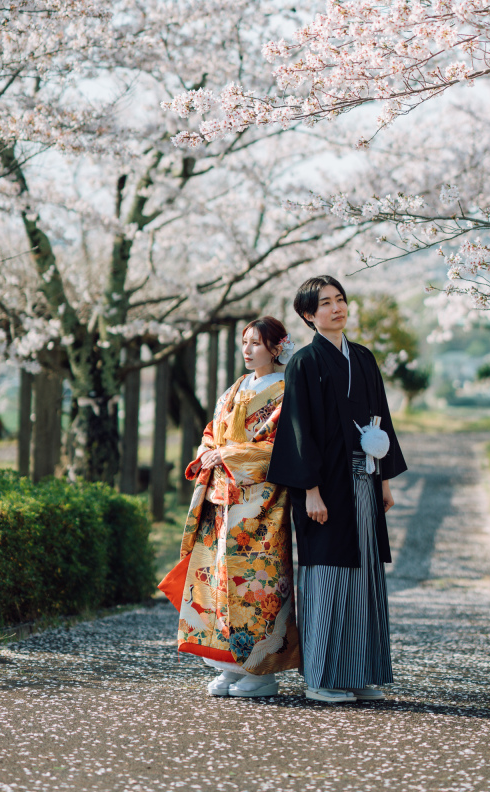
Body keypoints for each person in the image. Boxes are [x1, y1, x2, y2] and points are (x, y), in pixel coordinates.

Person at [268, 275, 407, 704]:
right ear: (309, 316)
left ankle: (362, 670)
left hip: (364, 478)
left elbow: (379, 417)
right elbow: (298, 431)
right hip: (324, 485)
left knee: (364, 572)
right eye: (324, 303)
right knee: (328, 573)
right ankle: (324, 677)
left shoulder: (363, 358)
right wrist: (309, 490)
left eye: (340, 300)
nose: (336, 308)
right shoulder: (305, 363)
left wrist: (382, 479)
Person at [162, 316, 300, 698]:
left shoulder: (286, 390)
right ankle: (227, 665)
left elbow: (282, 446)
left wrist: (228, 453)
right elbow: (212, 432)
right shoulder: (235, 389)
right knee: (216, 581)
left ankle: (260, 671)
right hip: (221, 503)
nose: (248, 350)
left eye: (256, 343)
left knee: (255, 585)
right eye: (245, 343)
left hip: (259, 506)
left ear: (276, 348)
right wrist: (209, 452)